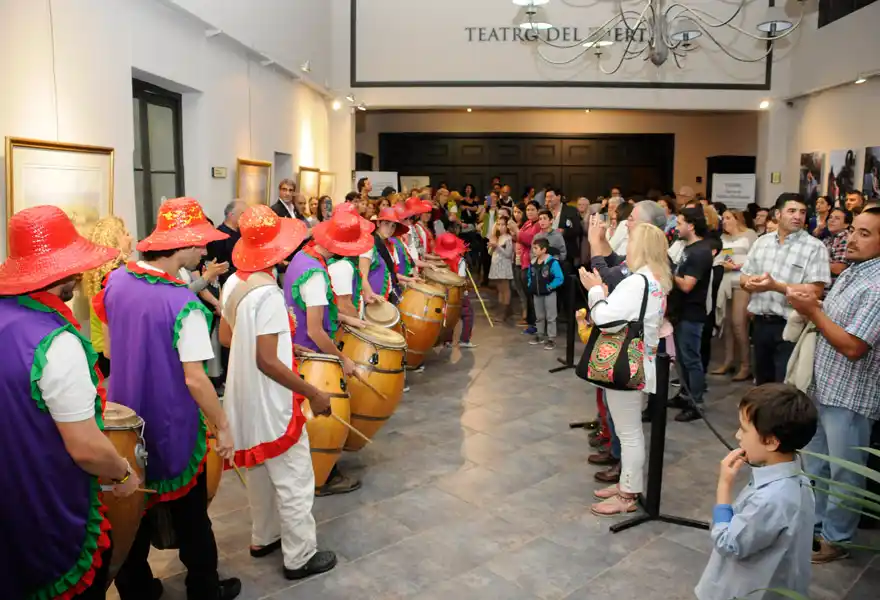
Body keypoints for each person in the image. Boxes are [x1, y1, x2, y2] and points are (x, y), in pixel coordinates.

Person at [96, 197, 241, 600]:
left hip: (125, 421)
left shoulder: (117, 281)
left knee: (134, 513)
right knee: (192, 516)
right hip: (172, 423)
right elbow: (195, 381)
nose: (205, 250)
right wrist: (222, 425)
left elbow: (109, 349)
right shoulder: (182, 303)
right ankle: (204, 587)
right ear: (183, 244)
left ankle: (139, 589)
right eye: (200, 243)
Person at [0, 206, 142, 600]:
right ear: (62, 273)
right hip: (47, 503)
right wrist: (123, 473)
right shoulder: (55, 343)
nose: (80, 277)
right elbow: (85, 447)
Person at [218, 204, 338, 580]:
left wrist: (284, 347)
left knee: (259, 474)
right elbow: (267, 361)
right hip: (271, 398)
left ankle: (263, 536)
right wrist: (313, 393)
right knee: (294, 478)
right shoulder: (268, 293)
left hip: (243, 397)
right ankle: (299, 556)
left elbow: (227, 337)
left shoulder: (235, 283)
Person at [788, 207, 880, 563]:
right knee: (817, 465)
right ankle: (817, 526)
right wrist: (811, 303)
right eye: (854, 230)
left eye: (864, 234)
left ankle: (837, 539)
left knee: (845, 471)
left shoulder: (876, 285)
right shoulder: (856, 272)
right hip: (824, 387)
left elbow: (854, 346)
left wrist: (813, 312)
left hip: (851, 396)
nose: (851, 239)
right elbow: (838, 316)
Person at [579, 223, 671, 515]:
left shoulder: (637, 282)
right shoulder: (654, 280)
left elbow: (606, 319)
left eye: (631, 242)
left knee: (629, 433)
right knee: (628, 430)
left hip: (627, 365)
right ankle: (625, 485)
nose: (626, 247)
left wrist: (595, 292)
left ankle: (628, 495)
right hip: (641, 362)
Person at [695, 384, 818, 600]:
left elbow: (729, 543)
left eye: (744, 429)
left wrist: (723, 486)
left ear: (771, 441)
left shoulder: (771, 498)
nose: (737, 435)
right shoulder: (798, 478)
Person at [284, 209, 375, 496]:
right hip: (312, 355)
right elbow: (315, 330)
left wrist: (346, 319)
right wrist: (343, 358)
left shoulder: (303, 257)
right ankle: (322, 476)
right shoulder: (315, 274)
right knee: (321, 416)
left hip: (299, 350)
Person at [741, 193, 831, 385]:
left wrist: (776, 286)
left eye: (802, 212)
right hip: (760, 323)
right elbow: (744, 277)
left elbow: (815, 291)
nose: (798, 216)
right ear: (778, 214)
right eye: (791, 211)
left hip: (791, 324)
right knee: (763, 385)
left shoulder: (814, 247)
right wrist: (749, 283)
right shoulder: (761, 242)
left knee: (786, 386)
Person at [669, 207, 714, 423]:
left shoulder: (700, 252)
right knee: (682, 359)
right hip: (681, 311)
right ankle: (684, 395)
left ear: (691, 225)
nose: (676, 228)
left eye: (679, 223)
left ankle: (696, 403)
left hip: (692, 312)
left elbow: (687, 285)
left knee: (691, 359)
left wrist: (667, 274)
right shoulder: (689, 248)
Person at [83, 215, 134, 376]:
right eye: (126, 234)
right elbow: (110, 348)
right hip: (114, 360)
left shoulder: (106, 276)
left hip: (105, 355)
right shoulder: (111, 279)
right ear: (114, 241)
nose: (131, 238)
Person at [712, 210, 758, 381]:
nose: (724, 221)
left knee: (739, 324)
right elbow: (719, 258)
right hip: (726, 283)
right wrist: (722, 264)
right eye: (723, 218)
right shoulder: (724, 239)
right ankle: (728, 361)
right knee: (728, 324)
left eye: (728, 218)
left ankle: (746, 365)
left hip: (742, 283)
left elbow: (756, 258)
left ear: (737, 219)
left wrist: (738, 266)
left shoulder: (749, 235)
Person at [434, 233, 476, 349]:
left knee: (448, 315)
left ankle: (447, 340)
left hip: (442, 291)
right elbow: (461, 279)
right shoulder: (460, 260)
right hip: (457, 292)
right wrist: (467, 286)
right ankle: (465, 340)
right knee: (468, 315)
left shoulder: (437, 258)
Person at [527, 238, 564, 350]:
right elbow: (529, 275)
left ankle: (551, 338)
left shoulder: (552, 263)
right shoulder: (533, 262)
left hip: (549, 294)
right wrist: (530, 284)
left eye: (536, 248)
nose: (533, 250)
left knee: (551, 316)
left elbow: (559, 277)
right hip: (537, 293)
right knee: (539, 316)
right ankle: (540, 335)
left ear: (543, 250)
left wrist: (550, 286)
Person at [517, 202, 541, 334]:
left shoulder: (538, 225)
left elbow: (531, 240)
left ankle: (535, 325)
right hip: (524, 262)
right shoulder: (527, 223)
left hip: (532, 263)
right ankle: (531, 323)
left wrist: (516, 231)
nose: (529, 212)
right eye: (528, 210)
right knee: (528, 295)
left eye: (532, 210)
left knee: (532, 296)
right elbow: (519, 236)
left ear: (538, 211)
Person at [488, 217, 515, 322]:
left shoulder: (508, 238)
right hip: (496, 265)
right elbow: (490, 252)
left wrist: (497, 247)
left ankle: (504, 312)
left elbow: (508, 254)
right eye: (498, 224)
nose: (501, 227)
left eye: (503, 225)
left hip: (504, 265)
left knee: (505, 289)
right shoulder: (497, 237)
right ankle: (501, 311)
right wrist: (492, 245)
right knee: (499, 289)